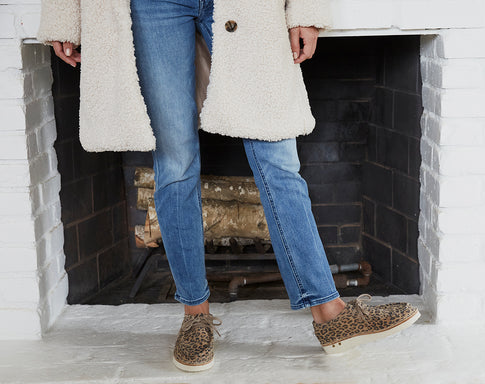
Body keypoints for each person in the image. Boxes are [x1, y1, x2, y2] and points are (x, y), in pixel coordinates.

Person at [39, 0, 420, 372]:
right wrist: (61, 14)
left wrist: (305, 8)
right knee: (175, 164)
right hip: (154, 6)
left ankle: (329, 312)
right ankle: (195, 316)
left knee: (278, 155)